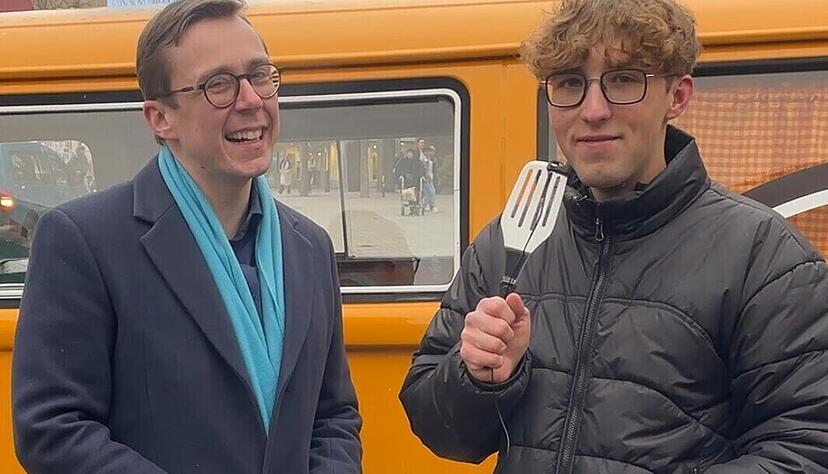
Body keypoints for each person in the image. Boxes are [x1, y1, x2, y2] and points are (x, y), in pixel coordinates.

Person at [399, 0, 828, 472]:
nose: (593, 110)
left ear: (678, 96)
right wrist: (480, 380)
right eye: (569, 83)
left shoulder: (762, 254)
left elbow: (806, 447)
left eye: (624, 79)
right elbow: (439, 430)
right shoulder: (506, 245)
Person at [12, 1, 362, 473]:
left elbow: (333, 415)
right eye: (218, 85)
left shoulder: (310, 247)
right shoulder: (84, 241)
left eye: (259, 75)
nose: (251, 100)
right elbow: (52, 429)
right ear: (160, 118)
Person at [420, 145, 438, 213]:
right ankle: (431, 206)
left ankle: (428, 205)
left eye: (429, 151)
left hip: (430, 178)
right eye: (427, 151)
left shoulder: (430, 160)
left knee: (431, 191)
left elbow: (432, 170)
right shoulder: (422, 160)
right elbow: (422, 169)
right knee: (428, 192)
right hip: (425, 178)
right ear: (424, 152)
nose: (428, 152)